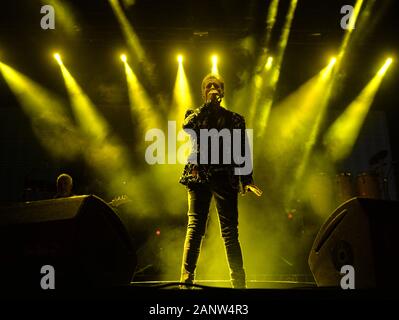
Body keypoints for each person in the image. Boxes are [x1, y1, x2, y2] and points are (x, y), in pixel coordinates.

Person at [179, 73, 262, 289]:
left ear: (223, 92)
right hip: (198, 176)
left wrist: (247, 178)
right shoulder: (195, 114)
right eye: (208, 86)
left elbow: (243, 150)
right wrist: (207, 106)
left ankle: (239, 282)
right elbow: (186, 126)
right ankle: (186, 279)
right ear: (203, 92)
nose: (213, 88)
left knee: (229, 232)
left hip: (225, 177)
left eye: (216, 86)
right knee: (195, 227)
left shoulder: (235, 119)